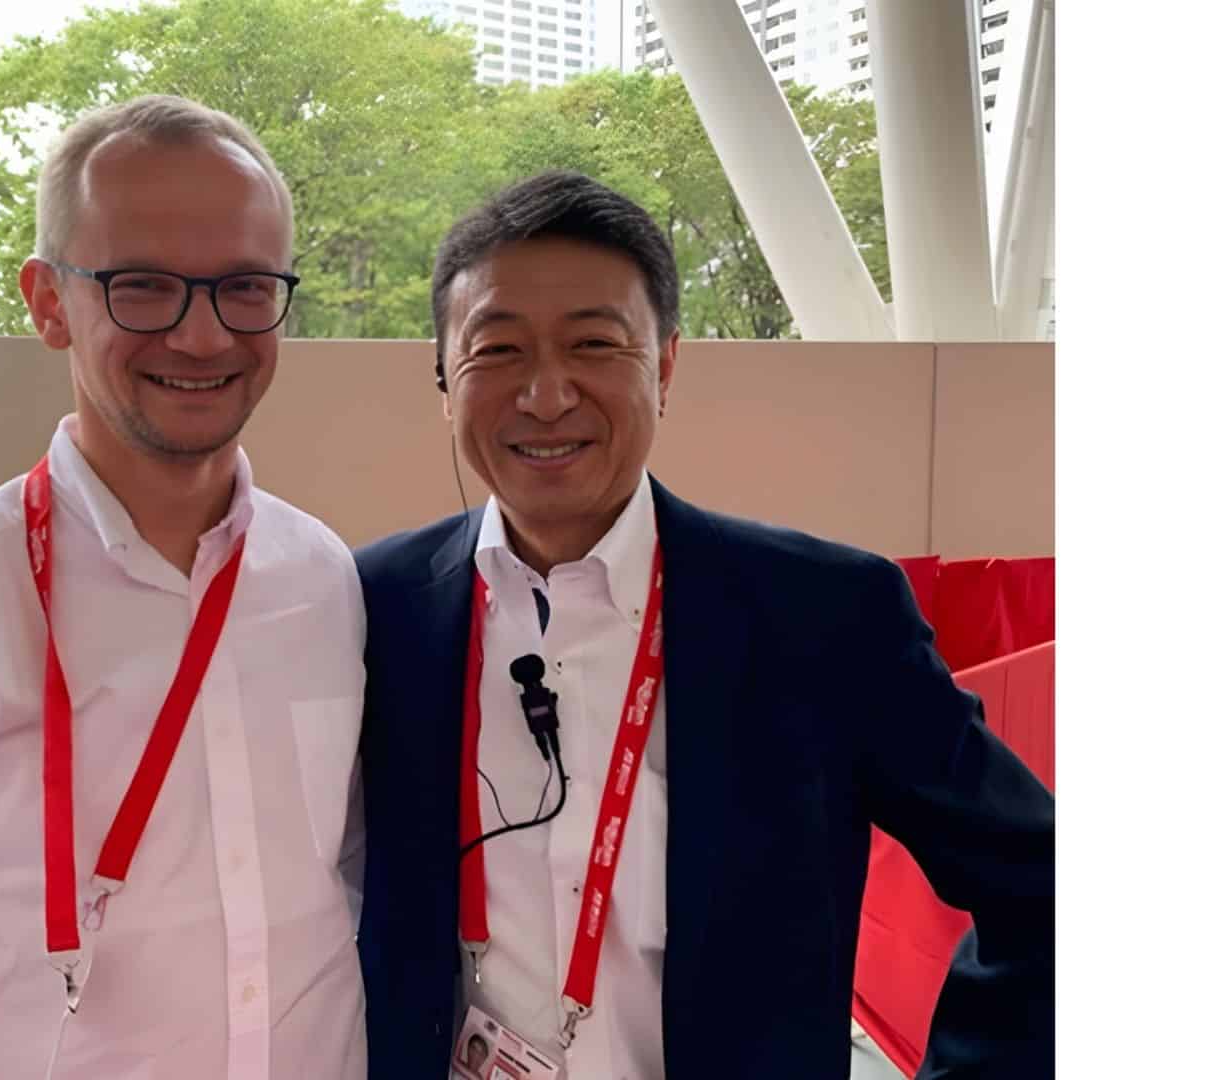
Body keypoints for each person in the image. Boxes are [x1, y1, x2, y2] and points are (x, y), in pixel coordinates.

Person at [353, 172, 1054, 1079]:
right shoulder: (373, 609)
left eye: (594, 343)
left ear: (666, 366)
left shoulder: (826, 614)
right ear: (446, 383)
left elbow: (1041, 881)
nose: (547, 394)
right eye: (498, 350)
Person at [0, 95, 368, 1080]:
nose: (203, 336)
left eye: (245, 287)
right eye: (143, 287)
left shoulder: (326, 579)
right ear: (49, 302)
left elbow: (342, 886)